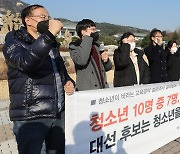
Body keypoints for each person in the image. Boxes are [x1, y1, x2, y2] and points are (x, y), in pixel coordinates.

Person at [3, 4, 75, 154]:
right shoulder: (14, 42)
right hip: (31, 115)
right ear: (28, 20)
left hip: (57, 113)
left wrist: (68, 82)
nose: (47, 20)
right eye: (43, 17)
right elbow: (27, 63)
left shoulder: (51, 44)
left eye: (48, 18)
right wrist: (49, 35)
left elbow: (60, 72)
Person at [69, 19, 112, 91]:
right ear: (83, 32)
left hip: (102, 88)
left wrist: (106, 60)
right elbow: (81, 61)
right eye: (92, 30)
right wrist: (87, 38)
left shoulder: (97, 46)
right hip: (88, 92)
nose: (95, 32)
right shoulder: (75, 46)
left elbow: (107, 68)